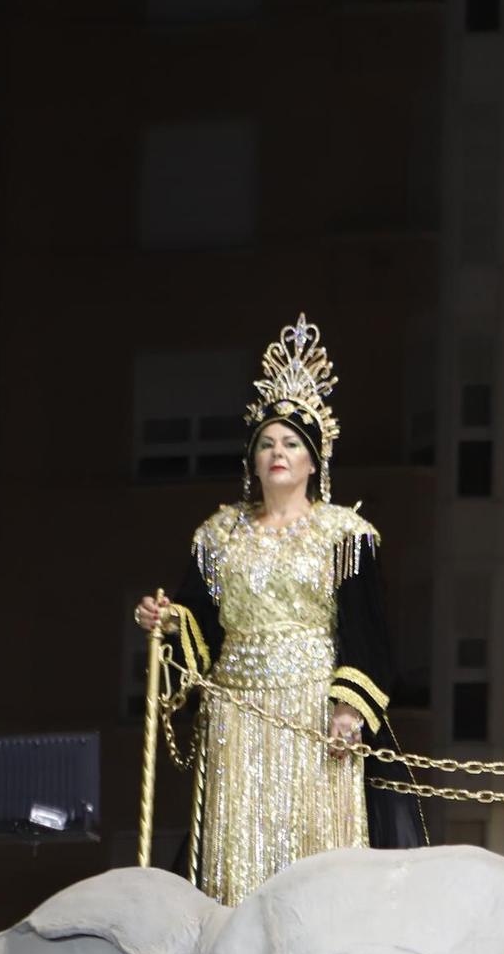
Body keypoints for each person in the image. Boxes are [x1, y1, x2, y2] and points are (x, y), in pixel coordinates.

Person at [134, 314, 423, 904]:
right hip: (236, 716)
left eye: (291, 443)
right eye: (266, 443)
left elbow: (367, 634)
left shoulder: (346, 536)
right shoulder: (216, 537)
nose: (277, 453)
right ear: (252, 458)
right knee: (237, 858)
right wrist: (166, 623)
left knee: (314, 852)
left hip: (312, 715)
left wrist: (348, 708)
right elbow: (200, 628)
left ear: (315, 461)